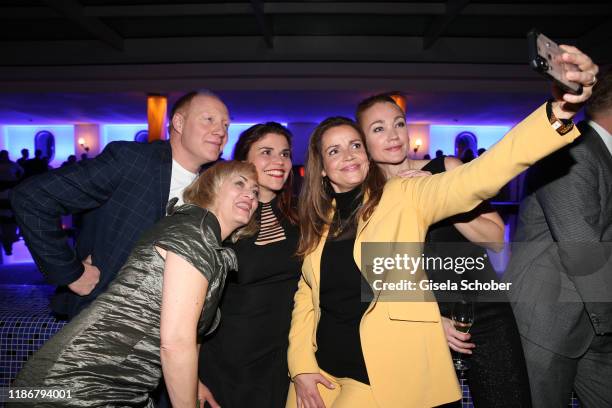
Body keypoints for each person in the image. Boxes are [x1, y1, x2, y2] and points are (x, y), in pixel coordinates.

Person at [287, 47, 597, 408]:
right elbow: (309, 295)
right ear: (320, 167)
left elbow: (485, 173)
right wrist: (301, 365)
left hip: (405, 353)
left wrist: (559, 112)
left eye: (353, 144)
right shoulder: (322, 220)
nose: (350, 154)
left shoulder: (408, 191)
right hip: (326, 373)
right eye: (335, 151)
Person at [10, 161, 259, 408]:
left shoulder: (202, 236)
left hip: (110, 384)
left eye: (256, 191)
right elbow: (176, 343)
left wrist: (193, 384)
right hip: (75, 384)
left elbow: (188, 333)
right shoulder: (195, 233)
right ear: (211, 187)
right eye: (240, 183)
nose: (250, 194)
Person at [356, 93, 530, 407]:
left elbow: (495, 238)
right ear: (364, 142)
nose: (394, 134)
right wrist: (433, 320)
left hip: (484, 314)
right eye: (378, 129)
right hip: (419, 325)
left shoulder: (446, 168)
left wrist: (440, 197)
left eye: (399, 124)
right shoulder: (369, 200)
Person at [11, 90, 231, 319]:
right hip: (107, 321)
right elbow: (32, 197)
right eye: (209, 119)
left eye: (226, 125)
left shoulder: (213, 184)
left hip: (173, 321)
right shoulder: (134, 161)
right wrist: (71, 274)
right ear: (178, 122)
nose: (221, 131)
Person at [504, 69, 612, 407]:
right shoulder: (573, 150)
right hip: (545, 322)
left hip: (590, 319)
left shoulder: (599, 154)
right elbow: (580, 245)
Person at [199, 122, 301, 407]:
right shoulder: (222, 219)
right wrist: (190, 375)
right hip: (229, 365)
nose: (278, 161)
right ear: (244, 162)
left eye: (285, 153)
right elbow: (193, 306)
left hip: (284, 361)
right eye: (266, 152)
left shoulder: (302, 215)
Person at [0, 150, 23, 256]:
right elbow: (21, 171)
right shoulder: (11, 164)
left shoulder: (12, 164)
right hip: (6, 183)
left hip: (7, 183)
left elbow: (21, 171)